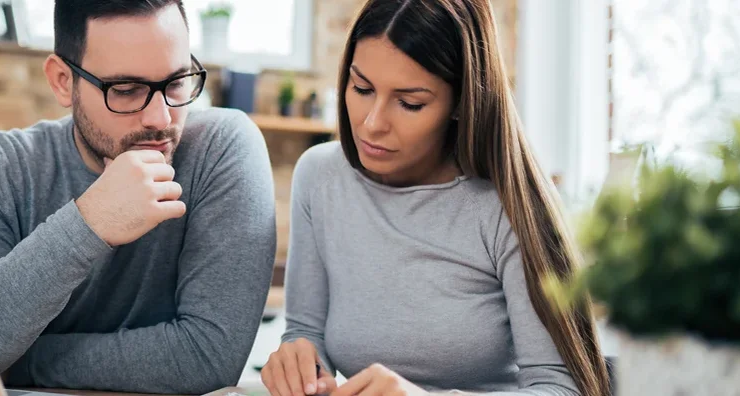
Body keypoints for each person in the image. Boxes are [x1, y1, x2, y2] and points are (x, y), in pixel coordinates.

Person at [261, 0, 611, 395]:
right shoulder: (320, 177)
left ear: (462, 103)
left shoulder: (508, 208)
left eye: (410, 103)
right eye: (361, 88)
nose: (372, 124)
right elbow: (306, 331)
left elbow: (563, 388)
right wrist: (301, 364)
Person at [0, 0, 277, 393]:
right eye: (127, 90)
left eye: (177, 82)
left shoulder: (221, 149)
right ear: (63, 81)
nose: (161, 119)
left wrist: (24, 362)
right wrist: (89, 222)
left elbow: (208, 357)